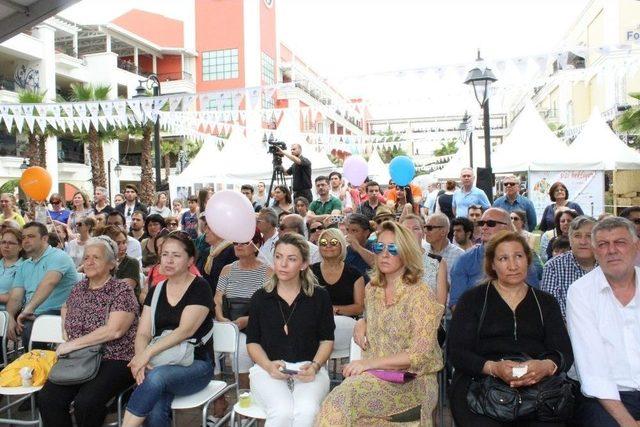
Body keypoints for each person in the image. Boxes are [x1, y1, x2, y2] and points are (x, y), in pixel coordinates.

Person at [318, 220, 444, 425]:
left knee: (342, 398)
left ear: (406, 252)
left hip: (412, 382)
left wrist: (367, 364)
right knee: (342, 403)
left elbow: (419, 355)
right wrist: (362, 322)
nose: (384, 254)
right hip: (375, 377)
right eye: (379, 247)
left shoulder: (421, 295)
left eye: (393, 248)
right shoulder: (373, 289)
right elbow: (377, 318)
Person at [448, 231, 573, 427]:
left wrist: (545, 366)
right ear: (492, 264)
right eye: (503, 258)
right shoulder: (472, 300)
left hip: (538, 388)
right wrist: (493, 368)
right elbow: (457, 352)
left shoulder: (545, 303)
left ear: (528, 259)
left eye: (518, 256)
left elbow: (564, 352)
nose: (513, 265)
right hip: (479, 387)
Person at [37, 236, 138, 427]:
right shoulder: (79, 287)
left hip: (114, 358)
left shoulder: (121, 290)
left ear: (111, 264)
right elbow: (66, 307)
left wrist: (72, 344)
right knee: (48, 398)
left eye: (96, 258)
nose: (89, 262)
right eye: (86, 257)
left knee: (86, 403)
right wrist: (65, 325)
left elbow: (114, 331)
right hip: (79, 358)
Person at [122, 231, 214, 427]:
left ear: (190, 260)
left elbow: (185, 331)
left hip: (195, 365)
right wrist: (141, 360)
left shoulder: (200, 287)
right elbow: (143, 332)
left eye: (176, 255)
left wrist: (147, 354)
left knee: (156, 377)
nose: (169, 260)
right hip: (159, 361)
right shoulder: (156, 290)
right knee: (154, 411)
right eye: (165, 254)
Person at [245, 233, 334, 426]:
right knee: (282, 411)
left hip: (309, 368)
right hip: (266, 368)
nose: (283, 264)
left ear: (303, 264)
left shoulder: (320, 297)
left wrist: (315, 366)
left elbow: (327, 339)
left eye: (291, 259)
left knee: (307, 412)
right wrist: (268, 366)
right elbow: (252, 342)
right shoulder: (261, 297)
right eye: (278, 257)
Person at [566, 217, 640, 427]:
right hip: (606, 398)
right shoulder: (580, 292)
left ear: (636, 246)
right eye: (603, 244)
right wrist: (628, 423)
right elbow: (592, 368)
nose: (612, 250)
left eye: (620, 242)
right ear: (595, 251)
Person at [6, 222, 79, 347]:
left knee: (32, 326)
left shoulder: (59, 256)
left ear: (44, 238)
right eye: (23, 237)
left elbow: (48, 283)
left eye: (31, 236)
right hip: (34, 314)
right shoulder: (24, 265)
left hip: (62, 312)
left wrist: (27, 311)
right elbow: (15, 297)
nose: (26, 240)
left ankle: (36, 364)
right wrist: (10, 317)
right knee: (9, 322)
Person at [449, 208, 540, 309]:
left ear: (507, 227)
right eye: (481, 223)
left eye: (490, 223)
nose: (484, 227)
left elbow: (534, 297)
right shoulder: (464, 261)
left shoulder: (522, 258)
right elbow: (456, 305)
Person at [214, 231, 271, 389]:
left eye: (244, 242)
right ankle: (219, 397)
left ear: (256, 245)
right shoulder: (227, 269)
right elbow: (218, 298)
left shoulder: (267, 271)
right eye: (235, 243)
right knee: (208, 344)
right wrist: (220, 317)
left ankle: (245, 393)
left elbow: (269, 305)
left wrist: (248, 320)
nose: (238, 246)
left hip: (255, 324)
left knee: (241, 350)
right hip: (228, 321)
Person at [541, 215, 597, 319]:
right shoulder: (553, 267)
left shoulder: (608, 266)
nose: (583, 241)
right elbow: (553, 312)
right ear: (570, 240)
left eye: (589, 236)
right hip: (566, 331)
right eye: (577, 236)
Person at [311, 228, 365, 317]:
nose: (328, 245)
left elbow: (359, 308)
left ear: (342, 245)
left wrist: (332, 309)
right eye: (323, 242)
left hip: (346, 326)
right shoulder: (309, 272)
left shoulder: (355, 274)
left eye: (333, 242)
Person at [402, 214, 448, 305]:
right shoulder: (394, 261)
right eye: (406, 229)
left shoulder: (437, 262)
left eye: (415, 228)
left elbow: (440, 304)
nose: (410, 232)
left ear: (423, 233)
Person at [99, 225, 141, 297]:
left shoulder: (132, 263)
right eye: (118, 244)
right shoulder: (101, 262)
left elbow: (122, 290)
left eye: (124, 242)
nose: (123, 247)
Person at [200, 220, 238, 294]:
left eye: (209, 229)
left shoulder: (231, 250)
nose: (206, 232)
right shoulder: (207, 251)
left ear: (219, 232)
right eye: (206, 229)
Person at [424, 213, 464, 281]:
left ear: (443, 232)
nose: (425, 231)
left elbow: (458, 285)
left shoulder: (459, 255)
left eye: (429, 228)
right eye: (424, 227)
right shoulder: (422, 250)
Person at [0, 228, 24, 310]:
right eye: (3, 242)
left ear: (20, 247)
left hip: (6, 314)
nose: (6, 246)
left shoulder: (24, 267)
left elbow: (15, 297)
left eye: (11, 243)